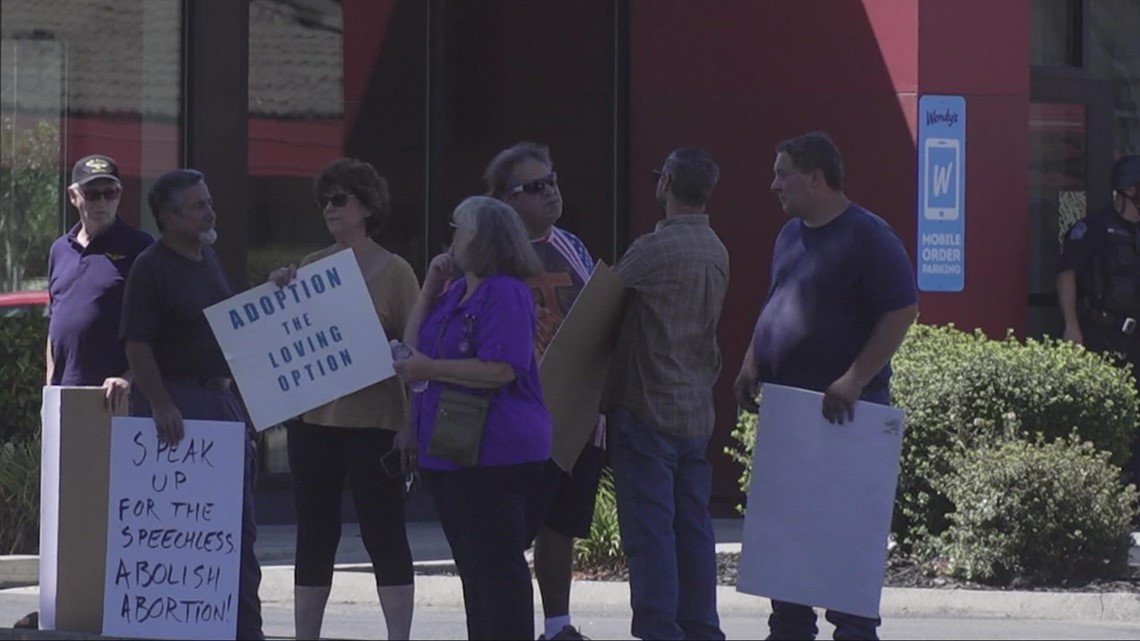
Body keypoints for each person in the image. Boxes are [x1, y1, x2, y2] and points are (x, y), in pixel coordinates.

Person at [734, 132, 917, 640]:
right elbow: (778, 300)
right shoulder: (789, 234)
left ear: (816, 177)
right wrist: (752, 360)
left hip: (846, 419)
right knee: (786, 555)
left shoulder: (869, 236)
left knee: (844, 557)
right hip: (788, 417)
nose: (773, 185)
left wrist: (855, 379)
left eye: (782, 172)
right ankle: (789, 629)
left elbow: (902, 312)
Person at [268, 158, 419, 640]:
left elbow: (416, 355)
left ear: (367, 206)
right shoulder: (311, 267)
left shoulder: (396, 272)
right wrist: (278, 297)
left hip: (376, 423)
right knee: (315, 534)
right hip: (315, 424)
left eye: (339, 200)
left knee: (384, 532)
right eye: (323, 202)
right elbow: (285, 341)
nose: (329, 209)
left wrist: (410, 424)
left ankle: (399, 635)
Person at [394, 195, 550, 640]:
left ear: (480, 237)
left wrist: (432, 370)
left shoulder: (506, 291)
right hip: (449, 450)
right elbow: (410, 353)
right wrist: (428, 291)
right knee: (473, 568)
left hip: (497, 451)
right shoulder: (458, 290)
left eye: (457, 228)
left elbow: (502, 369)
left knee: (498, 568)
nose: (451, 237)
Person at [119, 168, 263, 641]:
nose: (210, 211)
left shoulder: (209, 259)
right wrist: (160, 405)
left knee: (235, 531)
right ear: (168, 216)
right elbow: (137, 344)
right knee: (178, 535)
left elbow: (235, 320)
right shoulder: (151, 266)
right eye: (198, 205)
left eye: (209, 202)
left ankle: (244, 629)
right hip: (178, 406)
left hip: (219, 400)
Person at [604, 147, 729, 641]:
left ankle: (659, 627)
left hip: (648, 403)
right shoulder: (716, 249)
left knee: (650, 530)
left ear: (668, 182)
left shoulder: (654, 250)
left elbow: (602, 302)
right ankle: (700, 626)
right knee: (692, 528)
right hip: (695, 405)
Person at [484, 142, 601, 641]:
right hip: (517, 415)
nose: (551, 190)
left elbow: (597, 315)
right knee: (510, 532)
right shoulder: (490, 256)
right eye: (536, 186)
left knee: (562, 524)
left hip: (578, 414)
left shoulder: (572, 245)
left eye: (552, 179)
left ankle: (558, 627)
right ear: (509, 200)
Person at [1057, 154, 1140, 488]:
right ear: (1124, 190)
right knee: (1105, 416)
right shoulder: (1092, 229)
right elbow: (1067, 276)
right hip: (1102, 334)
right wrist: (1071, 326)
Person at [47, 154, 152, 411]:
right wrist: (49, 384)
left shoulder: (140, 247)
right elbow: (54, 322)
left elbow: (160, 327)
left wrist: (129, 379)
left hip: (115, 397)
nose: (102, 202)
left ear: (119, 194)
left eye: (110, 193)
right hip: (64, 395)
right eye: (93, 194)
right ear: (74, 196)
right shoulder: (59, 250)